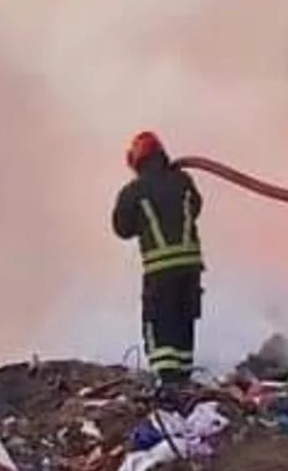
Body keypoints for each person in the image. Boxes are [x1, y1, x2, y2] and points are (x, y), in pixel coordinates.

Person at [112, 131, 205, 386]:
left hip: (160, 270)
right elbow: (196, 207)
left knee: (161, 326)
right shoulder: (183, 180)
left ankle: (168, 385)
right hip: (190, 269)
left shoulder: (133, 191)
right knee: (183, 323)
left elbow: (121, 228)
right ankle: (183, 382)